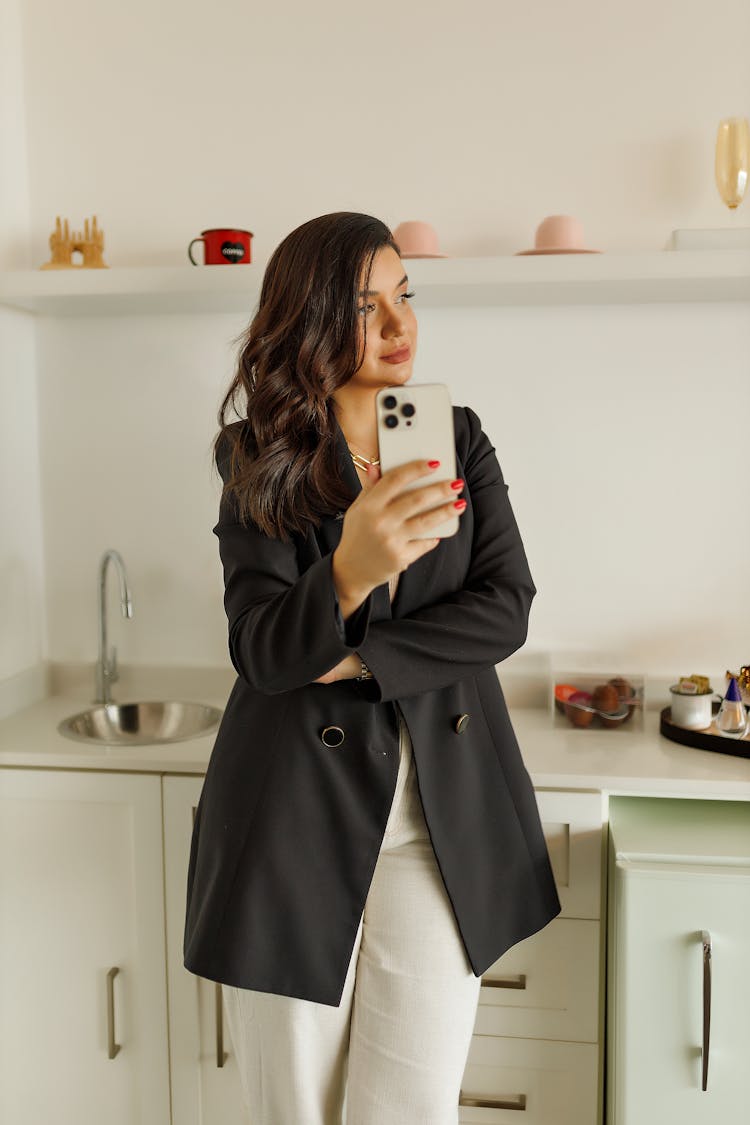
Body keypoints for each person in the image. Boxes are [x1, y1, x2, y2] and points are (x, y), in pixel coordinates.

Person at [184, 212, 560, 1124]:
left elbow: (506, 605)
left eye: (406, 296)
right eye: (366, 306)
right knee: (296, 1111)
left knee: (411, 1108)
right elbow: (264, 652)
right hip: (292, 822)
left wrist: (356, 656)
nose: (400, 326)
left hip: (441, 822)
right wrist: (352, 565)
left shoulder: (458, 438)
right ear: (311, 319)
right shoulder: (256, 458)